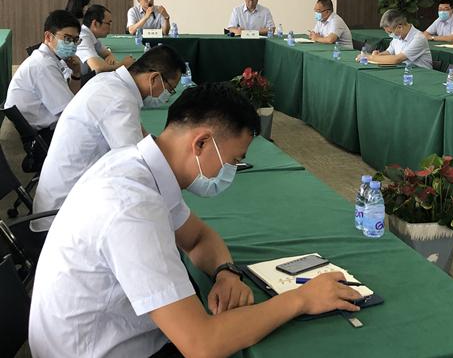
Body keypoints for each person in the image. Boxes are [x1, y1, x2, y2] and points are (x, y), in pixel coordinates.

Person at [29, 83, 362, 358]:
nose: (230, 172)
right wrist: (301, 299)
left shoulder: (141, 166)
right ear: (201, 143)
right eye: (233, 160)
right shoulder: (131, 206)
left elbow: (199, 238)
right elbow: (202, 345)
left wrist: (226, 272)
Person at [31, 45, 186, 232]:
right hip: (62, 218)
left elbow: (141, 138)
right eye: (170, 89)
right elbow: (136, 168)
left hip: (66, 197)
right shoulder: (118, 99)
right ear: (154, 78)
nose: (167, 97)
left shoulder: (111, 82)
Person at [4, 10, 82, 145]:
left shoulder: (51, 59)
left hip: (44, 127)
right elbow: (70, 111)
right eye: (67, 39)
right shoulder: (43, 65)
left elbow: (70, 97)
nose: (72, 45)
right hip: (43, 137)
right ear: (48, 36)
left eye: (75, 40)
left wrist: (76, 73)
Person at [359, 9, 433, 69]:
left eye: (390, 32)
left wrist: (369, 57)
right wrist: (379, 55)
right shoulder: (398, 36)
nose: (390, 35)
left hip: (422, 75)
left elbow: (396, 59)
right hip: (405, 71)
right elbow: (389, 52)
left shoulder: (419, 38)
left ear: (400, 27)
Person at [77, 4, 135, 75]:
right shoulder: (83, 38)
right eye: (108, 23)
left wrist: (109, 56)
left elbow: (106, 53)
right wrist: (122, 65)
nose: (110, 27)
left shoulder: (91, 35)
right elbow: (97, 68)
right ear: (95, 23)